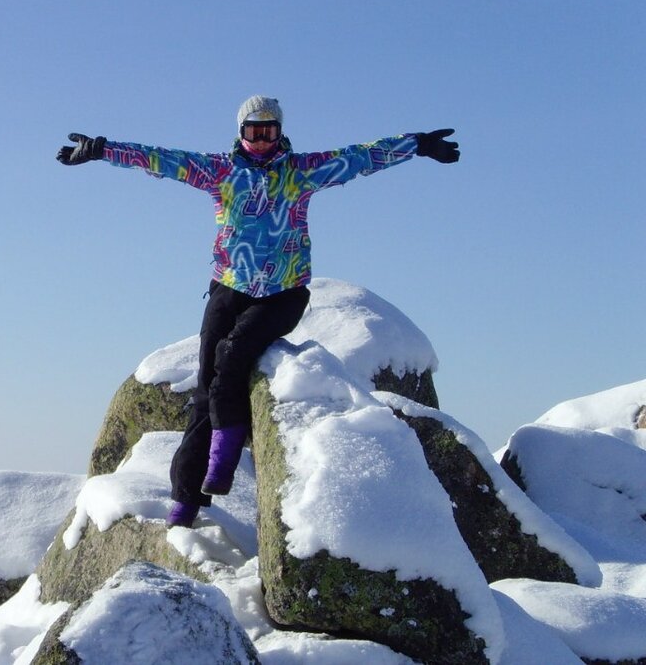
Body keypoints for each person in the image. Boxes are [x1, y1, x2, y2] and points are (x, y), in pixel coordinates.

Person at [56, 95, 459, 528]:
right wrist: (102, 150)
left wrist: (417, 144)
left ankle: (222, 465)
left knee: (232, 356)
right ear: (241, 132)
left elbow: (361, 158)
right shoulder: (220, 171)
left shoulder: (301, 172)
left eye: (269, 131)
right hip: (229, 289)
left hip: (283, 294)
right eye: (254, 131)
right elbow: (161, 160)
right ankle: (185, 502)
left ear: (280, 132)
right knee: (206, 390)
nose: (262, 140)